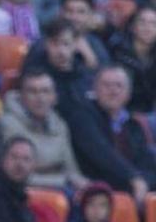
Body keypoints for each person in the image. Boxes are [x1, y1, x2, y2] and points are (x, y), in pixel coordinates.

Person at [67, 65, 156, 205]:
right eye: (107, 85)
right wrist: (133, 178)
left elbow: (147, 163)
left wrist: (143, 180)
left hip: (133, 190)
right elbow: (101, 153)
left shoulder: (134, 125)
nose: (113, 91)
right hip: (97, 191)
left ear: (128, 94)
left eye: (119, 86)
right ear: (94, 89)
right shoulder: (82, 116)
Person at [0, 68, 87, 190]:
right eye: (33, 92)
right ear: (22, 96)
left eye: (45, 92)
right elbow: (14, 173)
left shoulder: (60, 125)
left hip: (61, 191)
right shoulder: (7, 124)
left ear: (54, 97)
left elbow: (72, 170)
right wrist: (62, 181)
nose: (40, 98)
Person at [108, 4, 156, 112]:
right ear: (133, 26)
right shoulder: (118, 51)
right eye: (142, 22)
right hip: (125, 109)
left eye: (153, 24)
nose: (147, 27)